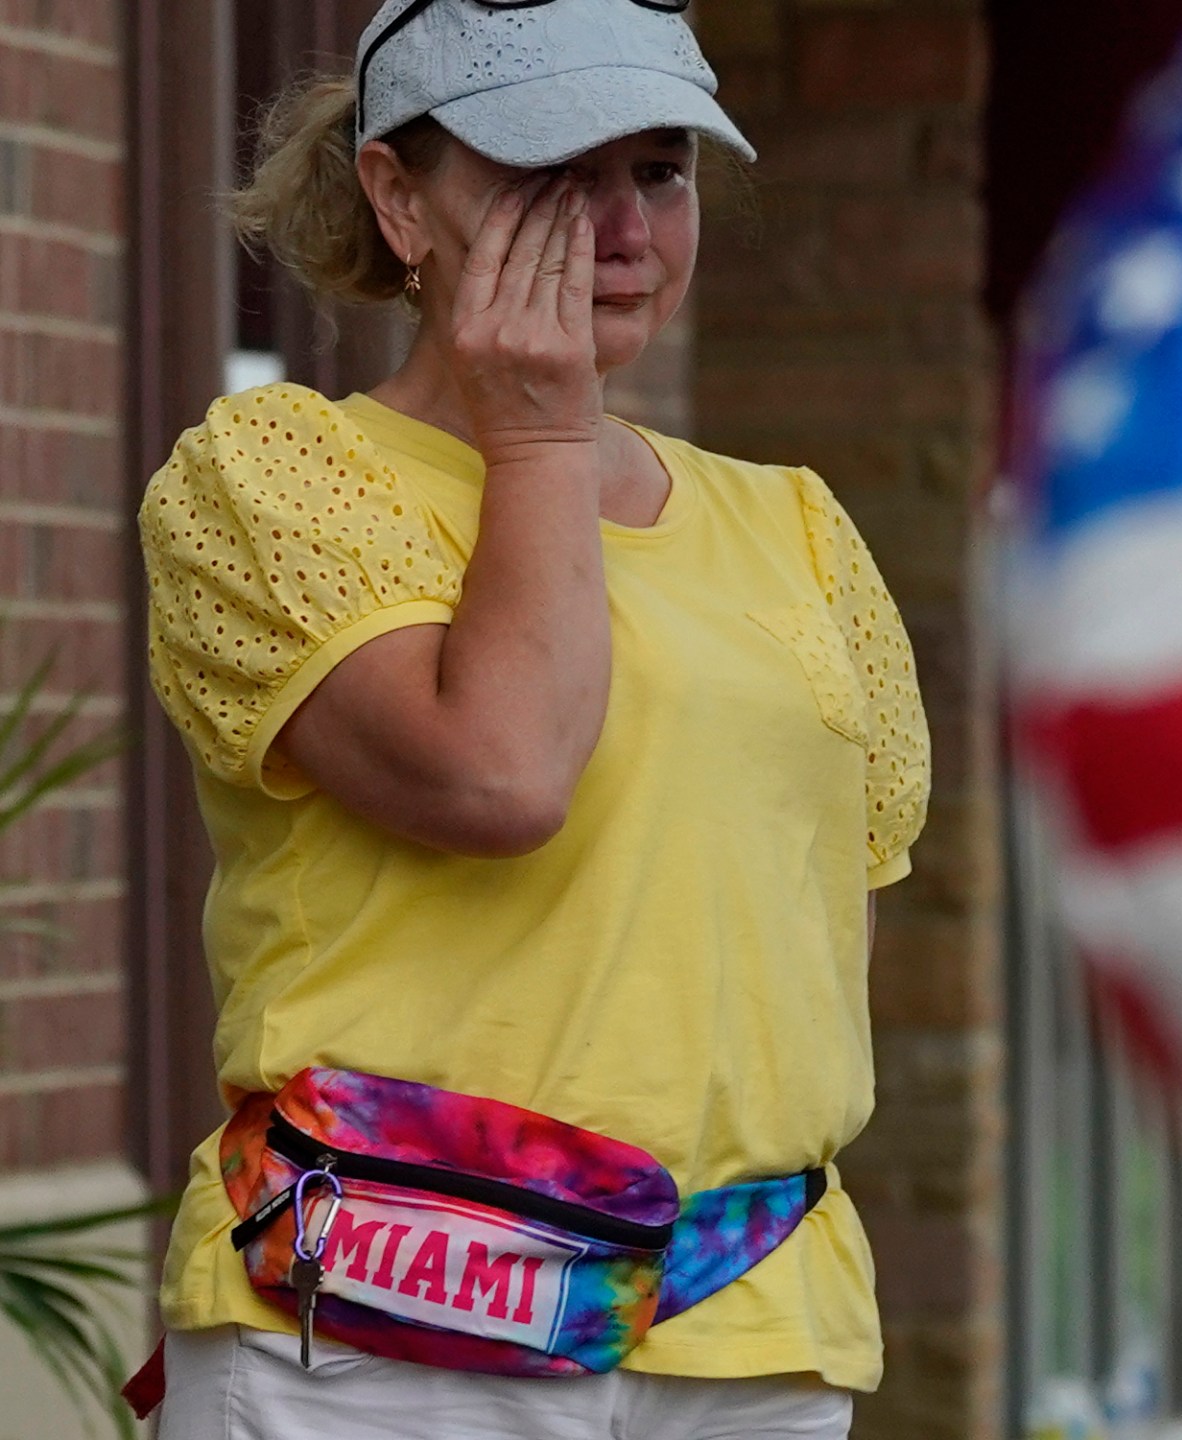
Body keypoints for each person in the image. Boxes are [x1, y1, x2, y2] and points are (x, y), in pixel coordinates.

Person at [133, 2, 928, 1435]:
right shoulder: (274, 474)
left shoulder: (800, 527)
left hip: (750, 1328)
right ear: (398, 195)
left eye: (661, 170)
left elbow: (820, 940)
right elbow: (500, 781)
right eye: (551, 174)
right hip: (387, 1326)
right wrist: (543, 434)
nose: (620, 227)